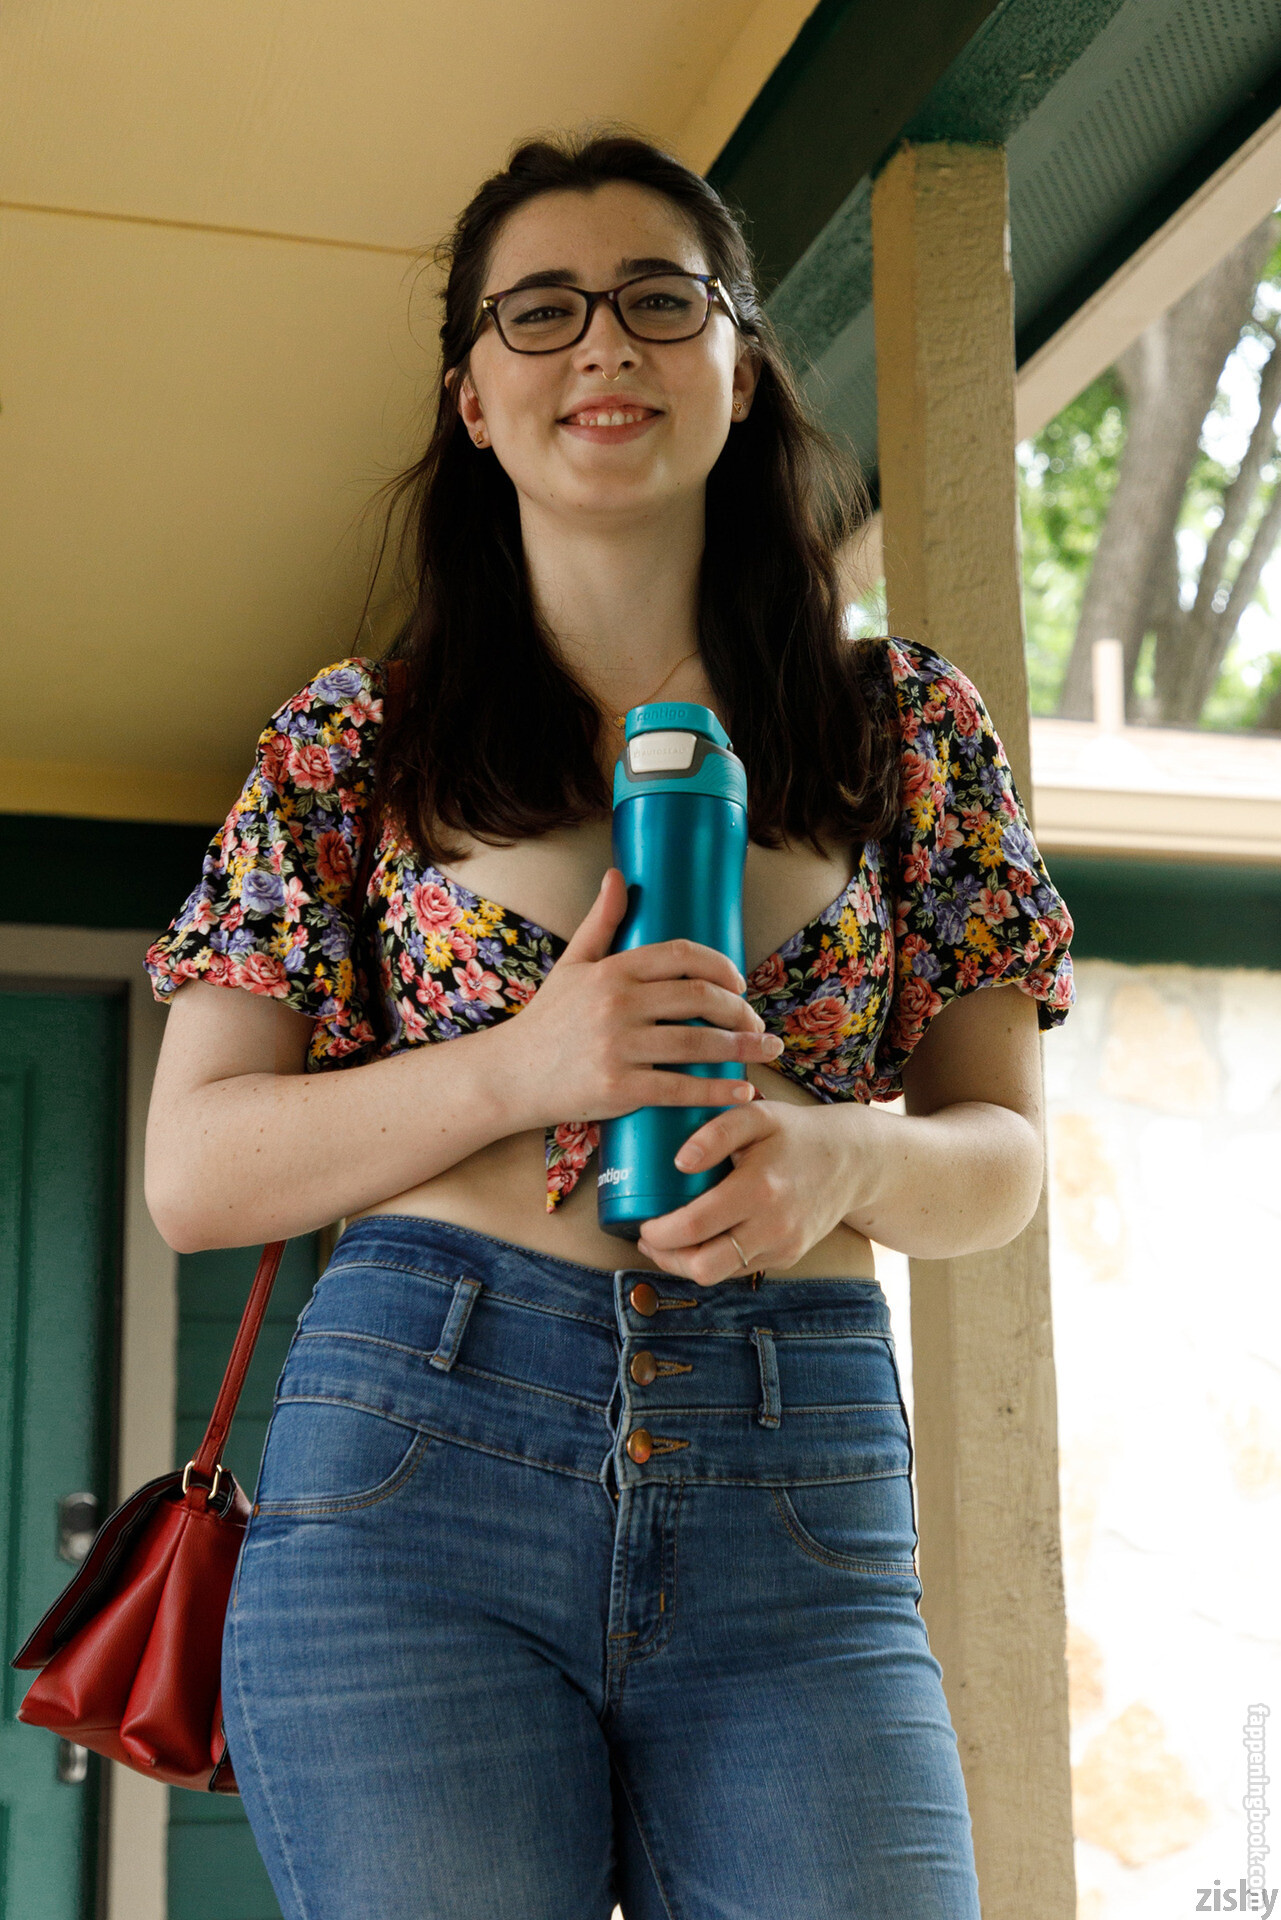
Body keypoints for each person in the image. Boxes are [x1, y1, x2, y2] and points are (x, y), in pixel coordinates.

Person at [143, 129, 1074, 1920]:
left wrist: (839, 1158)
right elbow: (196, 1170)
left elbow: (1003, 1163)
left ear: (741, 366)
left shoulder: (904, 728)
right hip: (419, 1470)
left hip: (793, 1476)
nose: (601, 345)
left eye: (660, 299)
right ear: (471, 398)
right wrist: (526, 1065)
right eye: (541, 311)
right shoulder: (353, 740)